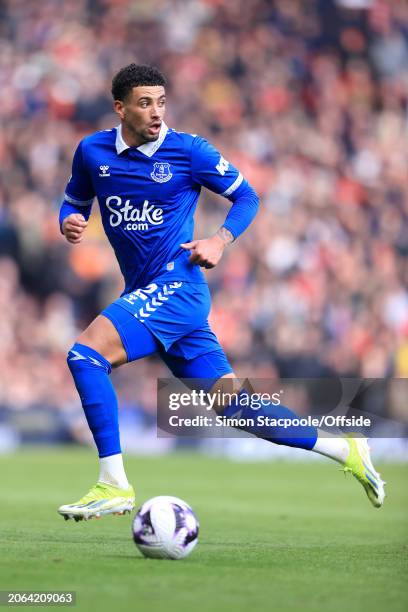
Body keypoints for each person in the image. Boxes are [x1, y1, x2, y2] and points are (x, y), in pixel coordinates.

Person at [58, 64, 385, 521]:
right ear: (120, 108)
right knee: (235, 406)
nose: (156, 111)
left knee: (86, 354)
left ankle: (113, 483)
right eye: (145, 102)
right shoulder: (91, 152)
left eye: (162, 101)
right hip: (151, 293)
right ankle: (346, 449)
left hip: (178, 286)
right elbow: (75, 201)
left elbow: (248, 197)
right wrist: (68, 222)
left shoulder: (189, 151)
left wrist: (219, 240)